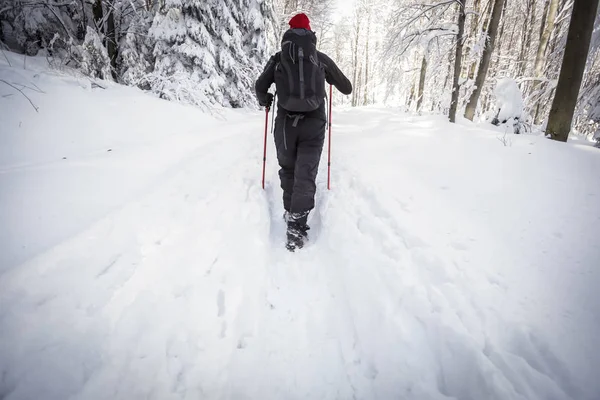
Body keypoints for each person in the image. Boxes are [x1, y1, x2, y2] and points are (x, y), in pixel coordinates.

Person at [255, 12, 352, 251]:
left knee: (288, 169)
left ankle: (290, 210)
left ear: (288, 35)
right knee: (305, 173)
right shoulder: (320, 59)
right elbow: (347, 88)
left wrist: (266, 99)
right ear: (310, 34)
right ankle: (297, 228)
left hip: (286, 125)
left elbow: (260, 86)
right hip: (314, 123)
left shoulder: (278, 59)